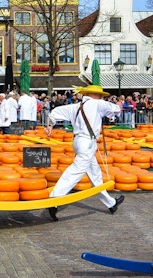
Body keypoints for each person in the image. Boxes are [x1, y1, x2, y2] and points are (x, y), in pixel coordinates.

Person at [44, 85, 124, 221]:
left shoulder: (76, 106)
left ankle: (111, 203)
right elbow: (115, 109)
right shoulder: (97, 103)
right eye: (100, 95)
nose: (101, 97)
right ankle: (54, 200)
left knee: (95, 174)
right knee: (75, 171)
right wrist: (119, 103)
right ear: (94, 95)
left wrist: (50, 125)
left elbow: (55, 112)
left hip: (79, 142)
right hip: (87, 143)